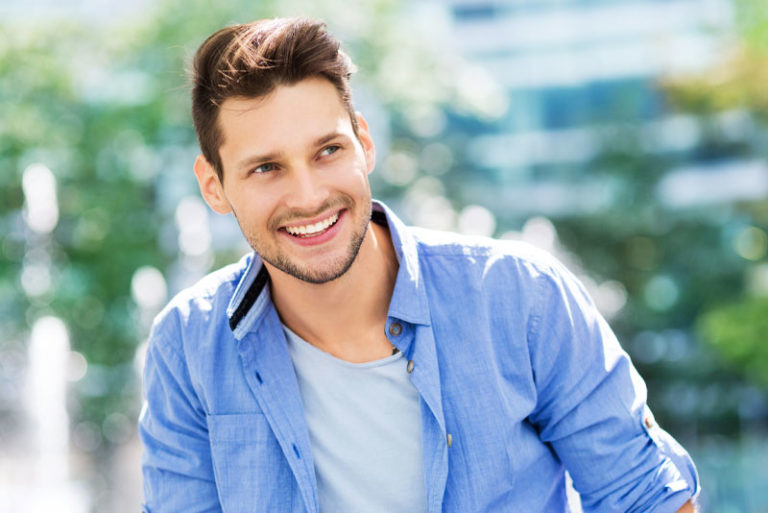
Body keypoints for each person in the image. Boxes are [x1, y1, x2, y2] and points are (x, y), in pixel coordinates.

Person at [139, 17, 700, 513]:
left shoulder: (521, 296)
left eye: (327, 151)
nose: (308, 196)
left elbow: (645, 497)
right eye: (266, 168)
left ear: (364, 143)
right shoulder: (188, 345)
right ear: (214, 186)